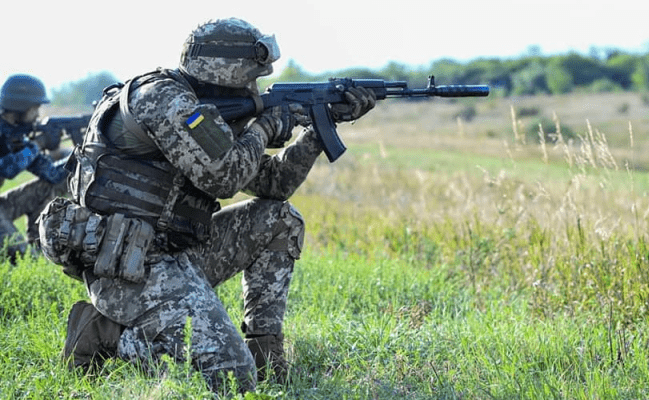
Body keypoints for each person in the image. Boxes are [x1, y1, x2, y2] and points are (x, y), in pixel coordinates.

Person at [38, 17, 375, 392]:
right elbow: (224, 177)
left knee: (278, 219)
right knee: (233, 376)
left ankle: (267, 356)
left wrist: (317, 128)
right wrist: (263, 128)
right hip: (131, 268)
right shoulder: (163, 99)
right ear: (228, 70)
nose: (256, 85)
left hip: (179, 253)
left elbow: (273, 184)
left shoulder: (203, 109)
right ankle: (103, 336)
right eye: (252, 75)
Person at [0, 74, 69, 261]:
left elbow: (52, 175)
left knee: (47, 187)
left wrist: (78, 155)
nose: (38, 115)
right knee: (24, 261)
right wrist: (37, 145)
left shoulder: (16, 136)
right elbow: (7, 169)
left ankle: (39, 244)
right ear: (20, 107)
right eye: (35, 108)